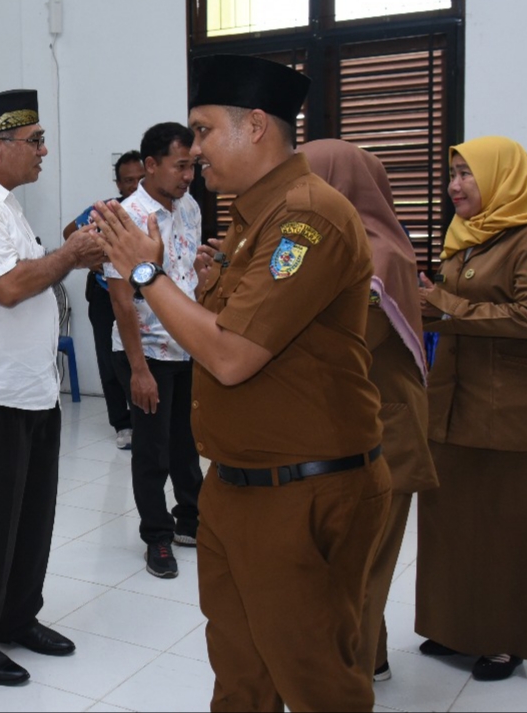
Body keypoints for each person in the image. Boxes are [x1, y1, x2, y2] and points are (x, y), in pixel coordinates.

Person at [90, 55, 389, 711]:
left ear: (255, 126)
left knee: (316, 682)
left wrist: (147, 275)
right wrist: (200, 288)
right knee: (240, 676)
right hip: (239, 481)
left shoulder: (306, 217)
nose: (194, 151)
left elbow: (230, 357)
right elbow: (230, 329)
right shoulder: (254, 217)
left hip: (300, 487)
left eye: (203, 131)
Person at [0, 89, 105, 687]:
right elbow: (6, 287)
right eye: (35, 141)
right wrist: (70, 254)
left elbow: (27, 274)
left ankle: (16, 617)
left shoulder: (3, 202)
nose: (44, 151)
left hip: (28, 387)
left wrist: (72, 256)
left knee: (31, 516)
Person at [301, 138, 439, 684]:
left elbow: (349, 340)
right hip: (359, 426)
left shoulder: (377, 255)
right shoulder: (346, 246)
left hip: (384, 432)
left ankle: (346, 679)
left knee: (362, 567)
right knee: (356, 558)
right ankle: (370, 658)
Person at [414, 135, 527, 682]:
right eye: (453, 174)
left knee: (502, 529)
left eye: (467, 174)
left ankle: (503, 639)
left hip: (509, 412)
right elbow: (451, 310)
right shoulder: (466, 238)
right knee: (449, 523)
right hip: (451, 405)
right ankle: (453, 627)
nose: (455, 185)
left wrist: (444, 305)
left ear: (502, 177)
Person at [103, 122, 203, 580]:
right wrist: (138, 370)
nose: (189, 176)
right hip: (146, 350)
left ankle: (191, 520)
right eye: (180, 166)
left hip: (186, 344)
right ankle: (157, 536)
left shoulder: (190, 207)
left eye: (193, 165)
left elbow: (187, 273)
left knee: (187, 440)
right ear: (150, 165)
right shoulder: (123, 220)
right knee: (152, 449)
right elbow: (122, 301)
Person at [63, 150, 143, 450]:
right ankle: (122, 424)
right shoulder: (105, 211)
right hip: (105, 294)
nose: (135, 186)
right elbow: (70, 232)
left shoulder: (156, 210)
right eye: (128, 180)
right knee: (110, 359)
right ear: (119, 184)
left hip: (145, 297)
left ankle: (145, 420)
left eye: (141, 179)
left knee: (142, 358)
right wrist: (94, 263)